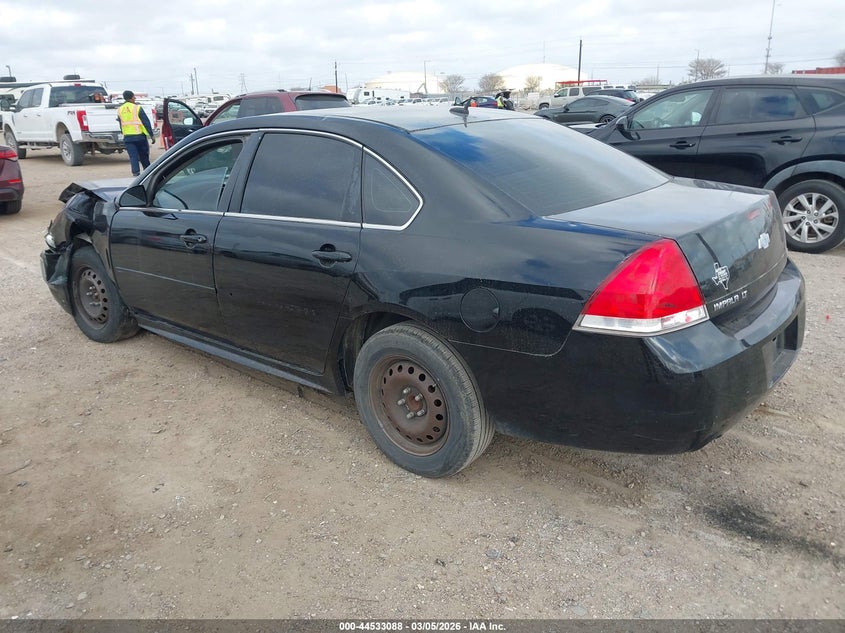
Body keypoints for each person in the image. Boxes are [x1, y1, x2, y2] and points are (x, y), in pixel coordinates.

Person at [117, 90, 155, 177]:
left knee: (133, 156)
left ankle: (135, 173)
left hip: (128, 137)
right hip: (139, 136)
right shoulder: (137, 108)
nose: (135, 99)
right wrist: (151, 135)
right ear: (131, 98)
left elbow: (120, 123)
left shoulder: (120, 110)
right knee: (143, 155)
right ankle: (148, 172)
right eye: (134, 97)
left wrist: (123, 132)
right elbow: (146, 122)